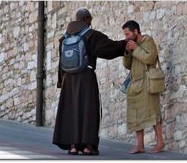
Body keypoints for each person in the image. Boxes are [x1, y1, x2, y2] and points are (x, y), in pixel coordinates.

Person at [52, 8, 127, 155]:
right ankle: (87, 147)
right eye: (90, 21)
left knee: (71, 111)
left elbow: (62, 62)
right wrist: (125, 44)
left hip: (69, 79)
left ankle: (73, 146)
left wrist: (61, 81)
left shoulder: (64, 38)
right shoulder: (91, 35)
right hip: (86, 77)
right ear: (87, 20)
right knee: (89, 111)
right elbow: (108, 49)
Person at [122, 20, 165, 154]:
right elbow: (127, 65)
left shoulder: (148, 40)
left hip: (147, 83)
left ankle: (160, 142)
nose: (126, 37)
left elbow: (150, 59)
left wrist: (135, 49)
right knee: (135, 115)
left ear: (135, 31)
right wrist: (128, 53)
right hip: (135, 84)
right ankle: (140, 145)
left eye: (128, 34)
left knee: (153, 113)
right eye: (125, 35)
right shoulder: (132, 44)